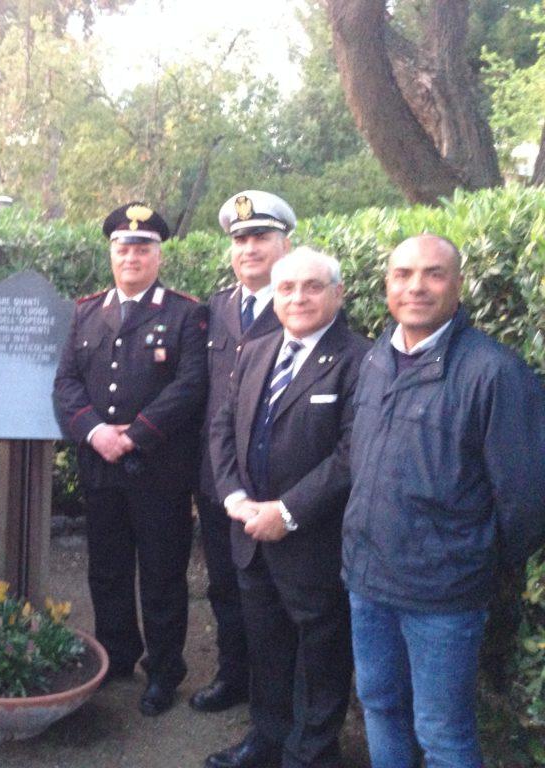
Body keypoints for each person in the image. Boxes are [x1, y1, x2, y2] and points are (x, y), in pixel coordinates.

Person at [343, 234, 545, 768]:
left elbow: (526, 502)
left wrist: (467, 560)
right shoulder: (376, 359)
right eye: (403, 274)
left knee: (442, 733)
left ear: (458, 284)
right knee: (380, 704)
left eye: (433, 274)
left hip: (443, 596)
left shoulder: (494, 372)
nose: (416, 286)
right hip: (367, 582)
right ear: (386, 285)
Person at [206, 248, 371, 768]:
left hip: (313, 540)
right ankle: (267, 740)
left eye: (312, 287)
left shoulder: (361, 360)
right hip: (251, 534)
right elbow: (223, 427)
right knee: (267, 648)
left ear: (338, 293)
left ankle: (313, 752)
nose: (298, 298)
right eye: (286, 288)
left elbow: (352, 453)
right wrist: (234, 498)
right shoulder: (257, 351)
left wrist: (287, 511)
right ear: (274, 297)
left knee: (321, 658)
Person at [53, 202, 209, 716]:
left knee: (162, 575)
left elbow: (191, 385)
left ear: (158, 255)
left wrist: (136, 435)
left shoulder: (185, 313)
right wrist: (96, 432)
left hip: (159, 470)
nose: (131, 256)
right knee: (107, 569)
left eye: (142, 248)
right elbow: (67, 383)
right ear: (111, 253)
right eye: (123, 247)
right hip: (100, 465)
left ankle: (163, 671)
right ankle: (116, 655)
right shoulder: (85, 311)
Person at [190, 190, 294, 714]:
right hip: (219, 480)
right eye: (241, 239)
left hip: (274, 488)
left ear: (285, 244)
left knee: (274, 596)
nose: (249, 248)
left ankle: (274, 696)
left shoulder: (298, 303)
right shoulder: (218, 307)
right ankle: (233, 676)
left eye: (261, 237)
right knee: (224, 587)